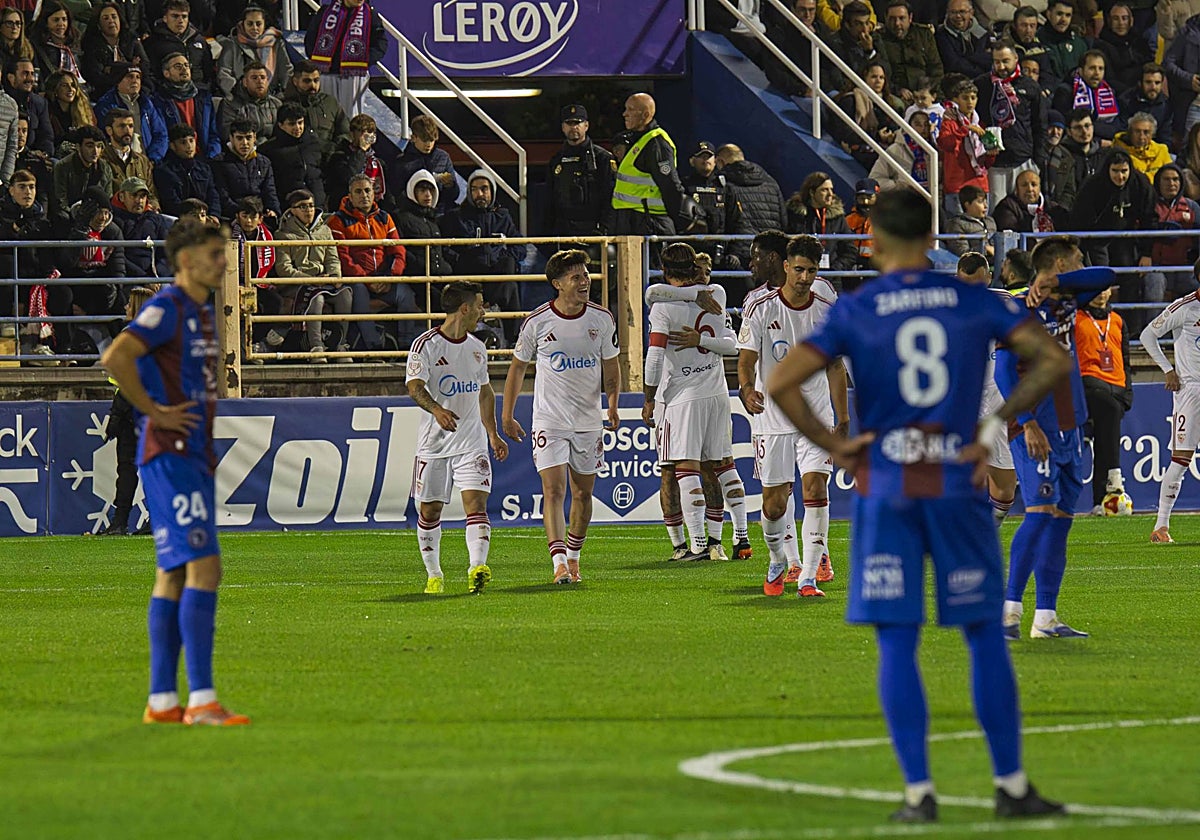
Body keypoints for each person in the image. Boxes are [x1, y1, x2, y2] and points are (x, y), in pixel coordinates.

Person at [765, 187, 1069, 822]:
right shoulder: (973, 299)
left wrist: (837, 446)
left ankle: (918, 795)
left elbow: (780, 381)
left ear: (871, 243)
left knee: (897, 642)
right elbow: (1050, 359)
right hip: (957, 484)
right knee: (984, 636)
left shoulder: (856, 309)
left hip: (889, 490)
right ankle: (1011, 787)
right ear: (934, 241)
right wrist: (994, 428)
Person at [100, 217, 251, 727]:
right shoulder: (166, 306)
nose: (224, 262)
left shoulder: (200, 313)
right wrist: (154, 412)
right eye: (215, 254)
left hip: (188, 452)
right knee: (206, 568)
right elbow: (116, 356)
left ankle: (163, 700)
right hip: (170, 449)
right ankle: (203, 700)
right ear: (187, 260)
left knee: (172, 573)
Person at [995, 235, 1113, 640]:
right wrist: (1027, 422)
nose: (1083, 266)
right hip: (1036, 429)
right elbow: (1003, 374)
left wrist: (1060, 283)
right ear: (1062, 264)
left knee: (1061, 521)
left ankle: (1045, 617)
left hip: (1069, 426)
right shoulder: (1016, 314)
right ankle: (1008, 611)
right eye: (1076, 261)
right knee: (1039, 514)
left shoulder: (1066, 301)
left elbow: (1107, 275)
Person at [501, 249, 620, 585]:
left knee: (582, 494)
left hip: (587, 421)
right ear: (557, 284)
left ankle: (574, 557)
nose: (585, 282)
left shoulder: (601, 319)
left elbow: (611, 367)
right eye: (576, 277)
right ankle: (558, 563)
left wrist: (612, 404)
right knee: (553, 491)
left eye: (586, 275)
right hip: (549, 420)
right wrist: (507, 415)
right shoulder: (537, 322)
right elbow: (517, 369)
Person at [738, 234, 846, 596]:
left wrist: (842, 418)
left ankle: (809, 576)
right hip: (773, 418)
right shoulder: (761, 307)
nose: (804, 277)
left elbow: (834, 366)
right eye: (798, 269)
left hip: (816, 416)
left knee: (816, 488)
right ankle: (778, 559)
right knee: (774, 503)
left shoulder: (825, 311)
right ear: (785, 266)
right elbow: (747, 357)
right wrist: (746, 387)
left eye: (811, 271)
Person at [640, 243, 750, 563]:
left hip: (682, 396)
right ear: (693, 268)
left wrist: (648, 399)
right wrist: (694, 295)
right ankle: (739, 537)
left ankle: (699, 545)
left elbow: (655, 358)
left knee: (684, 469)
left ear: (664, 269)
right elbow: (732, 345)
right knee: (723, 466)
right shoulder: (717, 293)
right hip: (717, 392)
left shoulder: (661, 306)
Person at [407, 281, 508, 594]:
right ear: (464, 308)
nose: (482, 311)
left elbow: (485, 391)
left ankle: (477, 566)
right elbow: (414, 386)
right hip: (434, 445)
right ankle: (434, 574)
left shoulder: (477, 348)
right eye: (479, 305)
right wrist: (437, 410)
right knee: (429, 511)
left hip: (471, 442)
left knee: (476, 504)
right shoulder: (425, 345)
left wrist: (492, 433)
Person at [956, 251, 1018, 527]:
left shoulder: (1009, 306)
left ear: (989, 278)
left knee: (1005, 490)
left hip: (998, 407)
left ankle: (984, 534)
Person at [327, 172, 417, 356]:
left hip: (385, 278)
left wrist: (391, 278)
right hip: (356, 280)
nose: (364, 195)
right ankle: (373, 347)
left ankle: (407, 346)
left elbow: (398, 251)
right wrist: (368, 280)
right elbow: (343, 258)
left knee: (406, 293)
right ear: (350, 196)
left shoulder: (385, 218)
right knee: (359, 290)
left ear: (374, 193)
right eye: (358, 192)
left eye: (367, 190)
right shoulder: (337, 221)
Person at [1140, 283, 1200, 543]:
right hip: (1191, 391)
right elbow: (1146, 335)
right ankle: (1161, 526)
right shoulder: (1185, 308)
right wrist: (1167, 369)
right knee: (1181, 459)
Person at [97, 284, 155, 536]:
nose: (124, 306)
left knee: (127, 468)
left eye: (129, 302)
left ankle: (119, 522)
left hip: (133, 410)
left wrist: (116, 416)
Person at [440, 169, 523, 345]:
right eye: (475, 189)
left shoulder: (503, 216)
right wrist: (467, 257)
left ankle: (514, 341)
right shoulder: (457, 216)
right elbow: (446, 249)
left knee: (510, 277)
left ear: (491, 191)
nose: (480, 194)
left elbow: (520, 248)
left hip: (496, 278)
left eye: (484, 189)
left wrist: (499, 253)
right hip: (468, 276)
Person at [1075, 285, 1132, 514]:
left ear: (1110, 293)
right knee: (1109, 409)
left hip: (1117, 387)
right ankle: (1115, 477)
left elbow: (1125, 358)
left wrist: (1128, 392)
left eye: (1105, 290)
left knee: (1104, 438)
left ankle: (1100, 500)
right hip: (1089, 384)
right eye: (1096, 290)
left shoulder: (1117, 320)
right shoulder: (1076, 318)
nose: (1100, 294)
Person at [275, 187, 348, 362]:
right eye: (303, 206)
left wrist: (335, 276)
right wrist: (309, 280)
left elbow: (333, 259)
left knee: (345, 295)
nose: (308, 210)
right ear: (292, 210)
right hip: (298, 284)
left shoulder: (325, 231)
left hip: (323, 281)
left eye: (311, 206)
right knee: (317, 298)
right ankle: (316, 346)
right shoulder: (283, 234)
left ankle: (341, 344)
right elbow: (284, 268)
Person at [612, 92, 695, 238]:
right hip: (633, 222)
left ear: (645, 115)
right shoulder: (639, 139)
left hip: (650, 225)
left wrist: (679, 219)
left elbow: (670, 185)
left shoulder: (657, 143)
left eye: (631, 109)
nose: (625, 114)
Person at [976, 43, 1046, 211]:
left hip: (1023, 158)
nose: (1001, 66)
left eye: (1006, 61)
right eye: (997, 62)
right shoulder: (982, 85)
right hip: (995, 162)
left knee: (1029, 208)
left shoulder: (1030, 86)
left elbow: (1040, 123)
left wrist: (1038, 159)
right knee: (995, 209)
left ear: (1016, 59)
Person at [61, 185, 127, 347]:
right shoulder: (66, 223)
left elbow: (118, 268)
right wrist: (80, 230)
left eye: (107, 213)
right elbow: (65, 264)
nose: (103, 218)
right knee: (63, 296)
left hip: (99, 283)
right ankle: (68, 349)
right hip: (74, 281)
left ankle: (125, 346)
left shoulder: (113, 232)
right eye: (98, 212)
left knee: (119, 297)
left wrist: (115, 287)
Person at [544, 104, 615, 238]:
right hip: (563, 230)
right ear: (563, 127)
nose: (574, 127)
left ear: (586, 126)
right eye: (569, 123)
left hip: (593, 230)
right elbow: (550, 199)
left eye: (578, 122)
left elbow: (610, 196)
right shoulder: (556, 160)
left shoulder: (602, 158)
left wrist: (604, 228)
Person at [305, 0, 386, 116]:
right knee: (325, 115)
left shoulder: (370, 15)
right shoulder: (325, 12)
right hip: (326, 73)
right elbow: (311, 37)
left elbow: (381, 43)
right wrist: (315, 57)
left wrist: (365, 60)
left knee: (350, 117)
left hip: (353, 75)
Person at [785, 172, 858, 285]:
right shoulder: (795, 215)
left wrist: (835, 270)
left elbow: (850, 251)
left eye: (831, 189)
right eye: (824, 190)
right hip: (801, 280)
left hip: (831, 281)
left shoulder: (838, 217)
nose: (830, 194)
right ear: (812, 192)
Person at [830, 61, 903, 169]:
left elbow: (891, 125)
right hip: (859, 147)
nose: (878, 81)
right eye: (874, 77)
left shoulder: (886, 102)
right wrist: (877, 136)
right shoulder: (850, 100)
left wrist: (890, 135)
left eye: (881, 77)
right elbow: (846, 133)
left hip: (882, 145)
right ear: (864, 78)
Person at [151, 52, 221, 160]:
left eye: (186, 65)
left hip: (204, 158)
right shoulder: (159, 100)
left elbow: (213, 133)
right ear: (166, 73)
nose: (184, 69)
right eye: (178, 66)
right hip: (173, 160)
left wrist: (212, 155)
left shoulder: (203, 98)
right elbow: (161, 135)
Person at [938, 77, 992, 215]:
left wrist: (992, 153)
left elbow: (986, 163)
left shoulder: (980, 124)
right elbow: (946, 144)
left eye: (973, 98)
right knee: (957, 228)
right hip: (957, 186)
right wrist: (965, 129)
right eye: (965, 98)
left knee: (981, 229)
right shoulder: (949, 122)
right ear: (956, 100)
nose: (970, 102)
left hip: (980, 185)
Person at [94, 63, 169, 163]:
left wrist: (153, 158)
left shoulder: (147, 104)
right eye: (130, 76)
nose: (135, 81)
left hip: (148, 162)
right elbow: (103, 137)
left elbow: (161, 134)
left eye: (138, 77)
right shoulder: (105, 106)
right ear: (118, 80)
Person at [259, 101, 326, 210]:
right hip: (289, 208)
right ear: (280, 125)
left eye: (300, 122)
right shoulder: (269, 150)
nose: (297, 127)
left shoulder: (313, 143)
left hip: (317, 205)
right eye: (291, 124)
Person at [216, 4, 291, 99]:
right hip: (239, 99)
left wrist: (283, 95)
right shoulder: (232, 44)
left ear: (264, 24)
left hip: (273, 97)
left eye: (258, 24)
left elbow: (286, 72)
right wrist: (240, 92)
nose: (254, 28)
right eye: (250, 24)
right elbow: (223, 74)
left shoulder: (277, 43)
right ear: (243, 24)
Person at [1148, 163, 1200, 301]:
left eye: (1175, 179)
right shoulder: (1149, 206)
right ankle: (1153, 323)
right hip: (1157, 267)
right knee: (1154, 285)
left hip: (1186, 268)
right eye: (1166, 179)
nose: (1171, 183)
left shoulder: (1192, 206)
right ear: (1158, 182)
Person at [282, 59, 348, 165]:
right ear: (295, 81)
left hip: (330, 159)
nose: (313, 85)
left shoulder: (330, 102)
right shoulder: (285, 104)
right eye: (307, 81)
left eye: (316, 80)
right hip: (298, 161)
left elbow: (345, 132)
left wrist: (333, 148)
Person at [211, 119, 280, 222]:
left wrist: (273, 210)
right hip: (232, 217)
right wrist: (241, 213)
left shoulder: (264, 162)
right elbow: (222, 196)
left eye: (248, 138)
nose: (245, 143)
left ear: (255, 138)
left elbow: (270, 191)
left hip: (259, 216)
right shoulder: (219, 162)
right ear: (231, 138)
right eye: (239, 138)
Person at [392, 114, 459, 216]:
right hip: (413, 215)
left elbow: (453, 195)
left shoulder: (443, 157)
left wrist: (450, 185)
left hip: (439, 213)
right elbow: (396, 193)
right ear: (413, 138)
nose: (428, 144)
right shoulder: (402, 162)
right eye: (424, 140)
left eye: (431, 140)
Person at [715, 143, 787, 237]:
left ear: (721, 162)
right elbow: (784, 221)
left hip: (739, 247)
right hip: (769, 246)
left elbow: (721, 222)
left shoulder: (724, 183)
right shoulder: (770, 182)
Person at [80, 3, 150, 98]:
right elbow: (96, 77)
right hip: (106, 93)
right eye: (106, 18)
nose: (111, 21)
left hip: (138, 90)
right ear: (98, 25)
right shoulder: (92, 46)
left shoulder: (131, 39)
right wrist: (131, 66)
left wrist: (112, 69)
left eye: (114, 17)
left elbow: (145, 66)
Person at [144, 0, 215, 91]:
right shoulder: (153, 43)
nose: (180, 20)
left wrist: (207, 87)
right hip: (168, 95)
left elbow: (208, 69)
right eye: (175, 16)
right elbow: (151, 74)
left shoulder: (199, 40)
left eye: (184, 16)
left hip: (200, 91)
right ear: (165, 18)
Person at [879, 0, 943, 101]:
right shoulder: (879, 39)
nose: (897, 23)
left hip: (926, 91)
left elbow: (936, 68)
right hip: (895, 94)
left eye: (901, 18)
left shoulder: (924, 35)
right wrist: (897, 90)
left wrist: (929, 91)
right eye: (892, 19)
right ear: (885, 18)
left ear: (910, 18)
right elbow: (879, 72)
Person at [392, 168, 449, 281]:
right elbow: (399, 248)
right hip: (416, 277)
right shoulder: (400, 217)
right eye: (422, 191)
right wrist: (420, 265)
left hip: (440, 275)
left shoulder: (433, 220)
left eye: (430, 191)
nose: (428, 195)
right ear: (413, 192)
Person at [323, 112, 387, 212]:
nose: (366, 135)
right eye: (361, 131)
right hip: (347, 210)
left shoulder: (378, 161)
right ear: (352, 134)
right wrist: (361, 151)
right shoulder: (339, 157)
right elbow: (350, 177)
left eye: (370, 131)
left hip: (373, 211)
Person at [1051, 51, 1122, 141]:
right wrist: (1098, 140)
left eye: (1101, 69)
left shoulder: (1109, 91)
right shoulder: (1066, 91)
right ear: (1081, 70)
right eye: (1092, 68)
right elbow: (1069, 126)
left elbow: (1117, 127)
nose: (1097, 73)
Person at [111, 175, 172, 278]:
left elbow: (166, 253)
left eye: (142, 196)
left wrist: (158, 276)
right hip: (128, 279)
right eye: (133, 195)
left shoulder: (155, 219)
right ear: (121, 197)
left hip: (155, 278)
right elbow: (118, 257)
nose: (139, 201)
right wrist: (144, 278)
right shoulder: (112, 220)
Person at [155, 122, 220, 217]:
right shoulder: (164, 171)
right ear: (172, 145)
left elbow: (213, 196)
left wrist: (214, 215)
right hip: (181, 221)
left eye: (191, 141)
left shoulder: (204, 168)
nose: (189, 146)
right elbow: (171, 203)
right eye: (183, 142)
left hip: (205, 217)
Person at [1045, 107, 1103, 212]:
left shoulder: (1103, 155)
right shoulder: (1061, 155)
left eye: (1087, 126)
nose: (1084, 131)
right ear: (1069, 131)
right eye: (1078, 127)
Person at [51, 124, 110, 225]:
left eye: (99, 146)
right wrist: (78, 214)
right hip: (71, 215)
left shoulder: (104, 167)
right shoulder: (63, 166)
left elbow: (108, 198)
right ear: (78, 147)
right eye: (90, 146)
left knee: (115, 230)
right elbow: (60, 201)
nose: (95, 151)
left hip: (97, 215)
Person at [101, 107, 159, 210]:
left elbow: (152, 194)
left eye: (131, 126)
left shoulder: (142, 160)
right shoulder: (102, 160)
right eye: (122, 126)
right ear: (109, 130)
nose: (128, 131)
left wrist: (154, 207)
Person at [829, 1, 890, 91]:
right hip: (851, 93)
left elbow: (887, 71)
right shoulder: (835, 42)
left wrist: (870, 51)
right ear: (847, 25)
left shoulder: (875, 38)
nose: (865, 29)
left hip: (878, 91)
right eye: (858, 24)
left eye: (867, 23)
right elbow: (839, 80)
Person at [868, 110, 934, 191]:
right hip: (905, 199)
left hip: (931, 199)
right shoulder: (895, 150)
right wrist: (899, 186)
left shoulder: (934, 150)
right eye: (918, 124)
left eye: (926, 125)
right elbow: (875, 179)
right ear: (909, 127)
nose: (923, 128)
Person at [1095, 4, 1154, 93]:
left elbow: (1149, 69)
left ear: (1131, 21)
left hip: (1142, 90)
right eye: (1116, 18)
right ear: (1109, 21)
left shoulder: (1140, 41)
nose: (1121, 23)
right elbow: (1108, 78)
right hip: (1116, 93)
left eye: (1124, 18)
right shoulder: (1102, 45)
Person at [218, 61, 281, 143]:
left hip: (271, 150)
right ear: (245, 82)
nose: (259, 81)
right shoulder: (230, 104)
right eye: (254, 78)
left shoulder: (276, 104)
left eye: (263, 77)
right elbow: (227, 135)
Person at [29, 1, 83, 90]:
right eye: (56, 20)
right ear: (46, 22)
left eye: (64, 19)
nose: (61, 24)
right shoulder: (36, 46)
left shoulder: (74, 44)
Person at [5, 57, 52, 155]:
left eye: (32, 74)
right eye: (25, 73)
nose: (31, 79)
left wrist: (45, 154)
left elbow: (46, 136)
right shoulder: (3, 103)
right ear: (11, 78)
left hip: (34, 157)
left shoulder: (40, 103)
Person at [994, 169, 1066, 233]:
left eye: (1034, 184)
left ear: (1039, 188)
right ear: (1017, 189)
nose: (1030, 189)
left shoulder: (1053, 208)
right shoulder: (1007, 207)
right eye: (1024, 185)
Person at [1118, 63, 1172, 145]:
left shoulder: (1166, 105)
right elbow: (1122, 132)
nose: (1153, 87)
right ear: (1140, 83)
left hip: (1154, 149)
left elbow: (1165, 137)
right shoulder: (1126, 100)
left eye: (1157, 83)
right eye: (1148, 82)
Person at [44, 70, 95, 155]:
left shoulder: (83, 108)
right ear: (55, 89)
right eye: (64, 85)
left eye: (73, 85)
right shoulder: (47, 110)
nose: (70, 89)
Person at [936, 0, 991, 79]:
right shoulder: (941, 35)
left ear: (971, 13)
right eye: (953, 12)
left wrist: (967, 57)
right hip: (956, 80)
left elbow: (989, 60)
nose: (958, 16)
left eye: (962, 11)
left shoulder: (984, 32)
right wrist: (980, 71)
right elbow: (954, 64)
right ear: (947, 13)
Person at [1112, 113, 1173, 180]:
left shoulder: (1161, 150)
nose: (1141, 137)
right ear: (1130, 132)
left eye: (1146, 132)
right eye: (1137, 132)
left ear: (1152, 134)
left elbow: (1170, 174)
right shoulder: (1118, 151)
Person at [1040, 0, 1089, 82]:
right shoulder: (1039, 40)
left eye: (1068, 15)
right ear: (1049, 14)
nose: (1063, 19)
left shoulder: (1079, 44)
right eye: (1059, 14)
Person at [945, 184, 997, 257]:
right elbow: (962, 253)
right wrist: (984, 249)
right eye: (980, 202)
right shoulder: (957, 224)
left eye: (986, 202)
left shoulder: (990, 221)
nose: (986, 206)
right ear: (967, 204)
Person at [844, 178, 877, 270]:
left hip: (878, 268)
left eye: (869, 198)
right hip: (852, 267)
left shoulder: (886, 220)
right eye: (861, 198)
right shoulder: (847, 220)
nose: (865, 202)